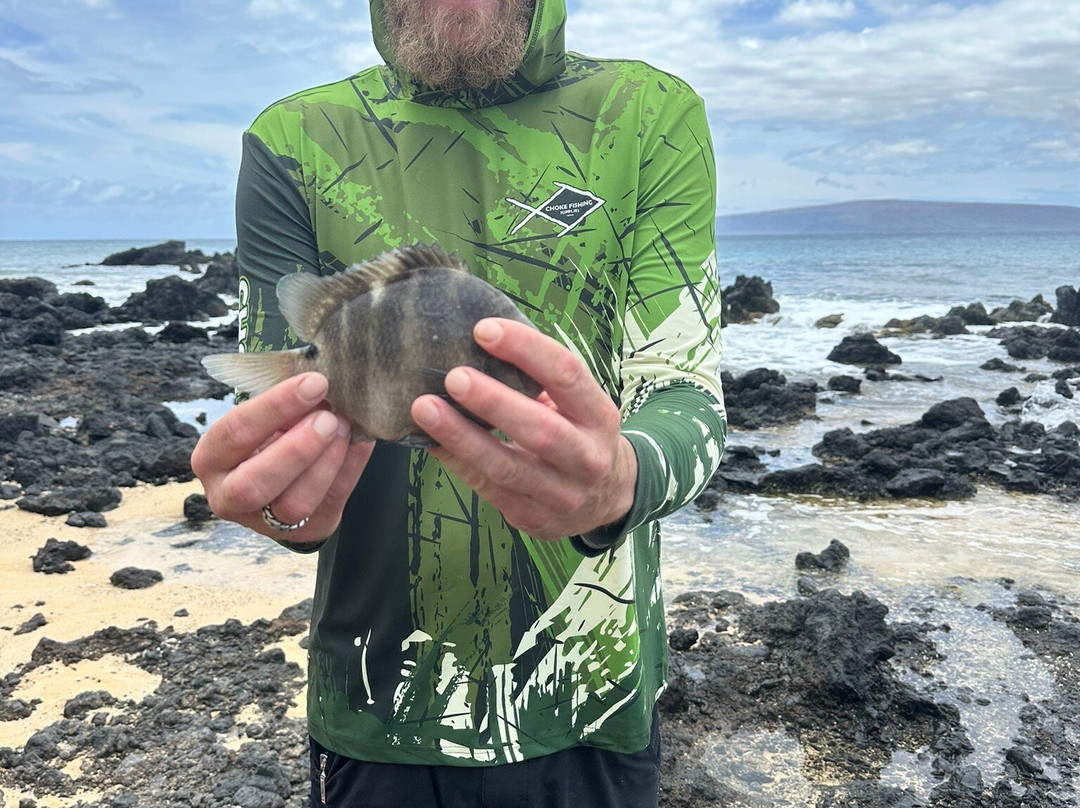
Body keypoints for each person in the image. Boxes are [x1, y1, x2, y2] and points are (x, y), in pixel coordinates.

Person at [190, 0, 727, 805]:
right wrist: (281, 501)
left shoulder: (650, 114)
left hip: (594, 696)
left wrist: (622, 479)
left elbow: (685, 393)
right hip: (376, 702)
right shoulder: (290, 139)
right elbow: (284, 411)